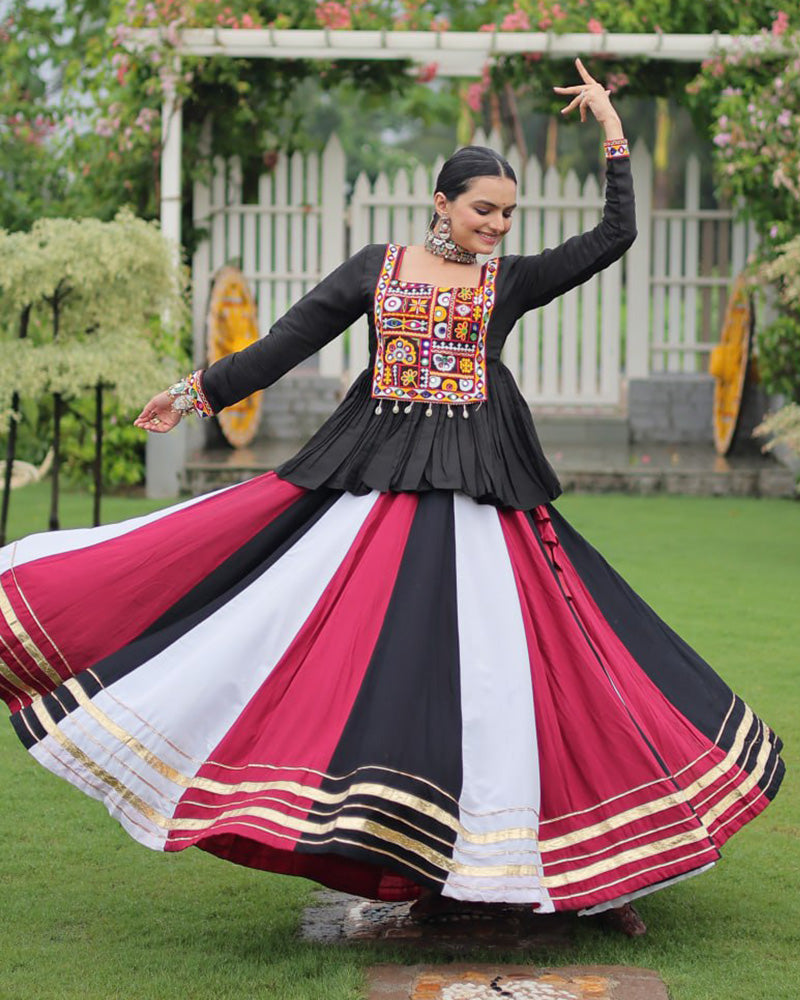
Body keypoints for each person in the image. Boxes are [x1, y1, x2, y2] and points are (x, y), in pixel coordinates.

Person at [1, 61, 783, 940]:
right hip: (380, 491)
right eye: (484, 208)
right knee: (395, 680)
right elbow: (283, 344)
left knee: (522, 679)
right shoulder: (377, 270)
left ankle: (581, 872)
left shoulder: (510, 281)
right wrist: (192, 396)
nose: (496, 225)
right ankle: (428, 867)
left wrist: (610, 127)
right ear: (441, 201)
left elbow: (613, 236)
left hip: (489, 500)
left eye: (508, 214)